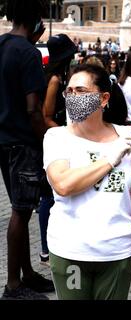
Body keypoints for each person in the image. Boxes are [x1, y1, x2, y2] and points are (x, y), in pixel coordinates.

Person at [43, 64, 131, 299]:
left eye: (81, 91)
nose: (73, 97)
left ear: (103, 98)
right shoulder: (57, 137)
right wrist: (109, 159)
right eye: (69, 92)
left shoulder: (129, 138)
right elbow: (63, 184)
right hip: (70, 250)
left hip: (118, 250)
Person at [0, 0, 54, 300]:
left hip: (4, 139)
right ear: (35, 20)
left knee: (19, 206)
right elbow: (34, 109)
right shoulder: (29, 53)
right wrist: (47, 139)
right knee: (21, 211)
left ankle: (27, 274)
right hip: (23, 141)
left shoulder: (2, 45)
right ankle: (12, 286)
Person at [38, 33, 77, 267]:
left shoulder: (60, 76)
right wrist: (65, 132)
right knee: (47, 197)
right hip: (55, 138)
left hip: (60, 135)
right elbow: (46, 116)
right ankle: (45, 249)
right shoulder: (54, 79)